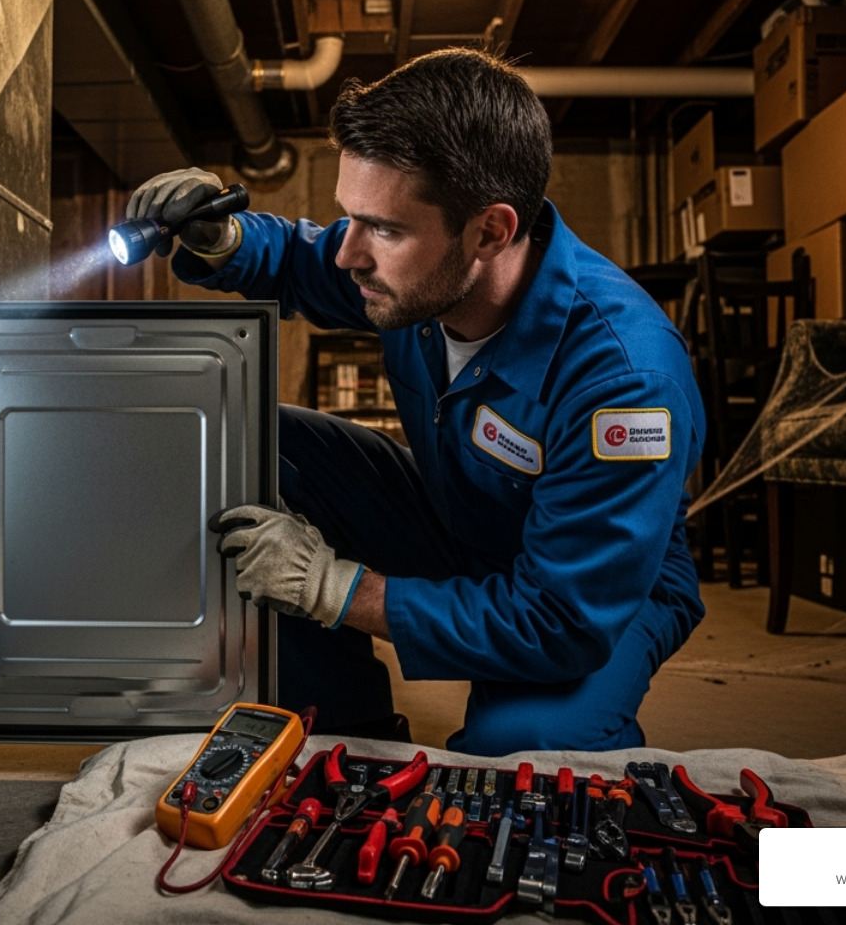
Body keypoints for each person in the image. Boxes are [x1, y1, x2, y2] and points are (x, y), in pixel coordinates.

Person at [126, 48, 705, 756]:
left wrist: (339, 590)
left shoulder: (624, 381)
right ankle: (343, 731)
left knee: (525, 747)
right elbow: (303, 258)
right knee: (254, 440)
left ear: (490, 230)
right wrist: (225, 237)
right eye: (353, 219)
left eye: (386, 230)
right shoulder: (421, 272)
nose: (351, 254)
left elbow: (561, 618)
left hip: (597, 583)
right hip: (455, 507)